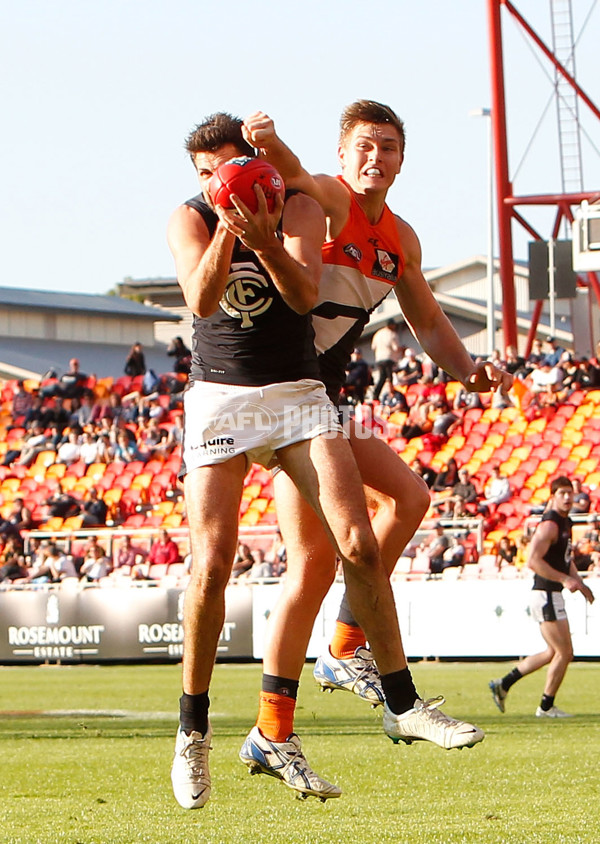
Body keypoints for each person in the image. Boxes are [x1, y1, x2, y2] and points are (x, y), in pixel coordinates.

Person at [240, 100, 512, 790]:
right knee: (322, 563)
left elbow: (429, 321)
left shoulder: (401, 239)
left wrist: (473, 372)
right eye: (364, 145)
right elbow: (294, 172)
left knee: (403, 502)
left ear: (401, 158)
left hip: (325, 402)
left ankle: (321, 672)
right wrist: (271, 144)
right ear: (343, 154)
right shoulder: (326, 198)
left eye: (388, 146)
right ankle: (318, 686)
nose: (376, 157)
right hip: (283, 397)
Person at [489, 476, 594, 717]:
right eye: (562, 493)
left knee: (552, 652)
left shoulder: (564, 522)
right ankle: (546, 707)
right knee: (565, 653)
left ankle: (503, 684)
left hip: (549, 594)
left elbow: (565, 561)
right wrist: (565, 580)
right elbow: (533, 560)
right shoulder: (550, 524)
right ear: (553, 497)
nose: (568, 498)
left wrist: (579, 582)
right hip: (546, 594)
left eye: (570, 493)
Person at [370, 319, 402, 400]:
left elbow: (373, 347)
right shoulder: (392, 334)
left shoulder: (378, 333)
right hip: (388, 358)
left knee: (382, 377)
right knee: (389, 377)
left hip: (379, 358)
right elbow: (396, 348)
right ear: (391, 325)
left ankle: (376, 394)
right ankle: (392, 394)